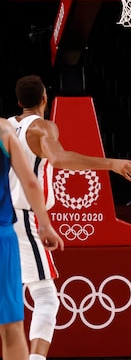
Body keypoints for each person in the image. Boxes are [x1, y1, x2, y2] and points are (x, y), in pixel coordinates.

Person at [8, 74, 131, 360]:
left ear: (19, 102)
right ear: (44, 99)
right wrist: (112, 163)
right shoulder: (43, 128)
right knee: (46, 298)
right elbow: (59, 159)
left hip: (5, 215)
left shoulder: (5, 126)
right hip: (24, 217)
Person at [0, 117, 64, 360]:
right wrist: (45, 225)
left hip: (10, 222)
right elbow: (31, 180)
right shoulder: (6, 128)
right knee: (14, 325)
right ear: (44, 98)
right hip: (10, 224)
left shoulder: (11, 125)